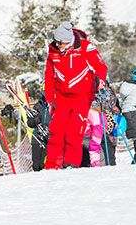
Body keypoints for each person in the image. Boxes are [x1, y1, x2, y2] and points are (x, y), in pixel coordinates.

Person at [44, 22, 108, 169]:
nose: (58, 44)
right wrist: (50, 99)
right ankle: (52, 165)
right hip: (62, 96)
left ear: (69, 39)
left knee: (74, 130)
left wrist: (101, 80)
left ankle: (71, 163)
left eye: (61, 42)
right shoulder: (53, 51)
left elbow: (100, 66)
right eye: (57, 41)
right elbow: (49, 76)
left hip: (82, 96)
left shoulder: (85, 47)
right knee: (56, 130)